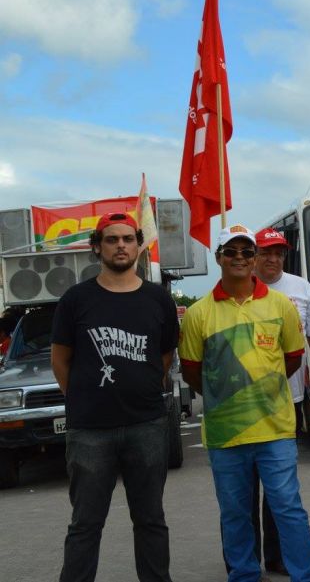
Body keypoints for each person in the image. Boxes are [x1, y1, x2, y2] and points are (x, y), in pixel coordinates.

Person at [179, 225, 310, 582]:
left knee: (288, 509)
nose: (239, 258)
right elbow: (194, 373)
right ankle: (243, 575)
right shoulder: (198, 314)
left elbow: (291, 360)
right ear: (218, 258)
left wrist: (260, 389)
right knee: (235, 513)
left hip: (275, 429)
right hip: (226, 434)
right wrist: (228, 396)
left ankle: (307, 576)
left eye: (246, 252)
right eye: (231, 252)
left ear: (254, 258)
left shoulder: (281, 306)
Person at [50, 212, 179, 582]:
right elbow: (61, 359)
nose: (120, 245)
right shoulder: (76, 299)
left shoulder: (158, 300)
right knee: (85, 524)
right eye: (111, 239)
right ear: (97, 247)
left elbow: (163, 357)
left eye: (127, 238)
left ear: (139, 246)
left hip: (147, 425)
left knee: (151, 520)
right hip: (90, 430)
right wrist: (82, 399)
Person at [241, 227, 310, 576]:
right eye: (265, 252)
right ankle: (246, 560)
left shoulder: (300, 288)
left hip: (287, 401)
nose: (273, 259)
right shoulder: (238, 288)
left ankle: (276, 556)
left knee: (280, 490)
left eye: (279, 253)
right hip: (242, 406)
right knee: (243, 490)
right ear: (253, 256)